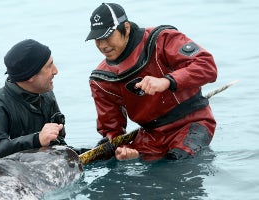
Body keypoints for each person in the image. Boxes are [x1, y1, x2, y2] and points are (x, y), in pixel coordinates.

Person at [85, 3, 217, 161]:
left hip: (192, 122)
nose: (103, 45)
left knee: (176, 163)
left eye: (107, 36)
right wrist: (126, 151)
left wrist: (167, 81)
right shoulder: (101, 79)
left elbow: (207, 66)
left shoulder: (162, 39)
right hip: (150, 137)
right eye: (97, 39)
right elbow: (112, 132)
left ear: (126, 28)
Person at [0, 39, 68, 162]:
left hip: (38, 170)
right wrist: (36, 139)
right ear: (30, 76)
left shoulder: (46, 96)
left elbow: (58, 146)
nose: (56, 71)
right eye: (49, 66)